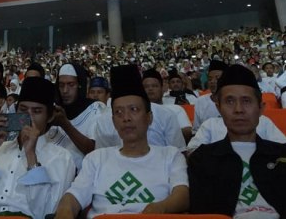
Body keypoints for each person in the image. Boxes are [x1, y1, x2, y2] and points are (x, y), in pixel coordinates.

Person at [55, 65, 189, 218]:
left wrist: (160, 208)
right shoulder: (96, 158)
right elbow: (72, 198)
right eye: (119, 112)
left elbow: (182, 195)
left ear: (149, 117)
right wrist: (65, 211)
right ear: (113, 121)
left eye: (134, 110)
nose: (126, 118)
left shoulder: (171, 156)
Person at [188, 64, 286, 217]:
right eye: (230, 101)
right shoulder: (202, 160)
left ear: (261, 108)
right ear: (218, 108)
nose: (238, 109)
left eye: (247, 101)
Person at [0, 77, 76, 218]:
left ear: (50, 116)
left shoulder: (62, 157)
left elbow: (45, 212)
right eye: (23, 109)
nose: (28, 117)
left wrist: (30, 156)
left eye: (37, 111)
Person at [47, 63, 104, 169]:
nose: (65, 90)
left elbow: (94, 150)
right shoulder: (53, 109)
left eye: (71, 84)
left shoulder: (95, 109)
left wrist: (65, 125)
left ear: (79, 85)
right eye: (61, 85)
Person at [142, 68, 192, 143]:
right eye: (146, 87)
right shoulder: (136, 112)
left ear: (162, 88)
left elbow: (187, 131)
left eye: (154, 86)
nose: (150, 89)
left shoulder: (176, 109)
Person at [193, 60, 228, 132]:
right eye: (210, 79)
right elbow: (196, 130)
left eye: (217, 78)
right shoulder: (200, 101)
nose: (212, 81)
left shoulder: (235, 101)